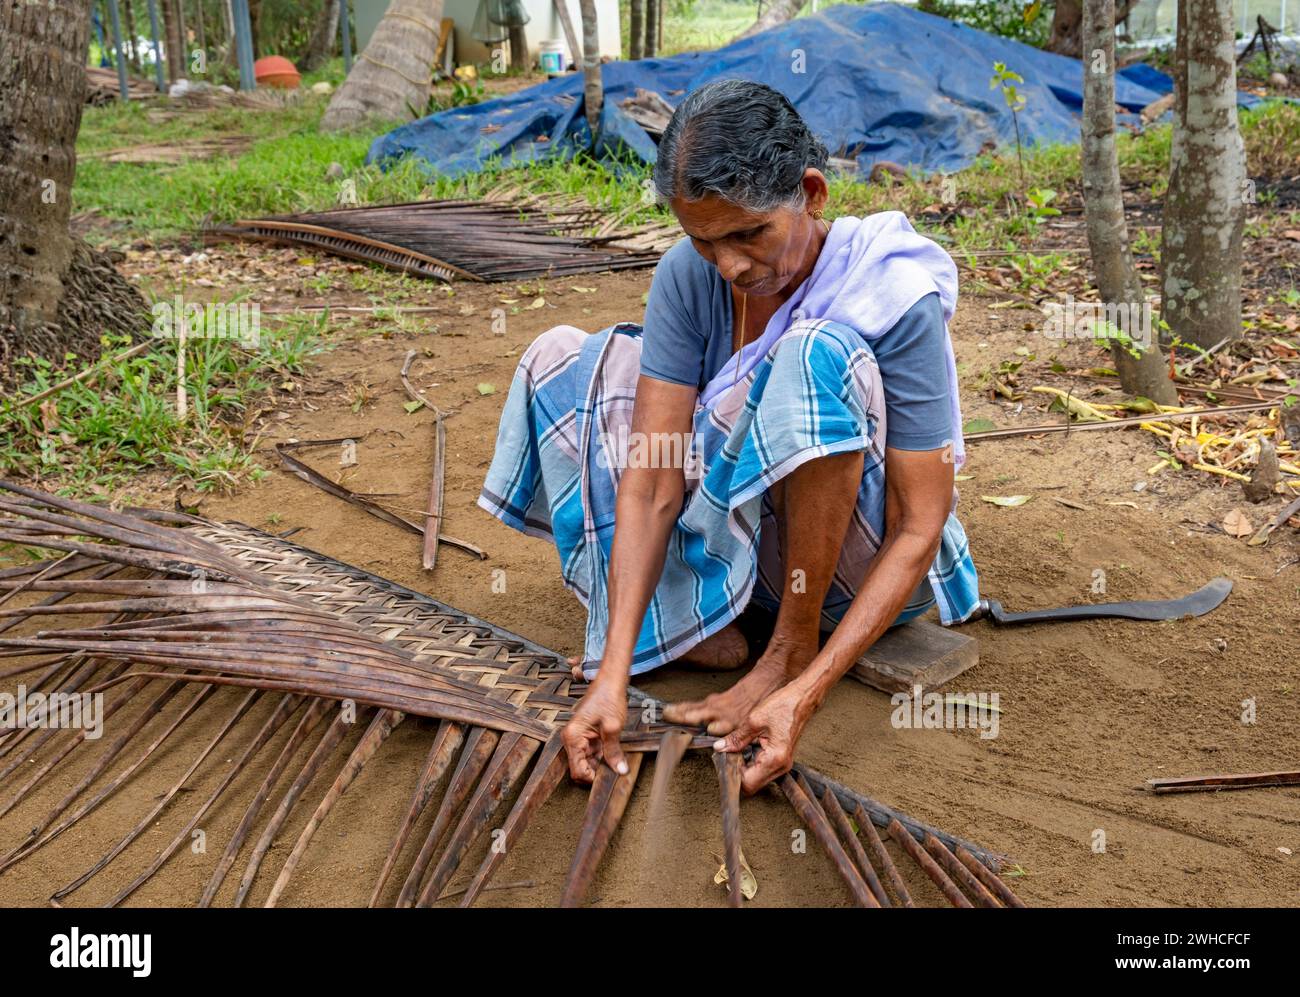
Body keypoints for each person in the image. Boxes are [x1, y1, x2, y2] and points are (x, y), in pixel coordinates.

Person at [478, 79, 979, 794]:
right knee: (564, 356)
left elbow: (918, 525)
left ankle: (785, 647)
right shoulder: (692, 275)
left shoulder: (890, 289)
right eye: (705, 240)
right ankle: (694, 619)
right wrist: (609, 677)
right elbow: (652, 477)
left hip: (857, 573)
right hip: (752, 558)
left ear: (810, 193)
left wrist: (797, 685)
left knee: (812, 355)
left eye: (750, 234)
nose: (732, 266)